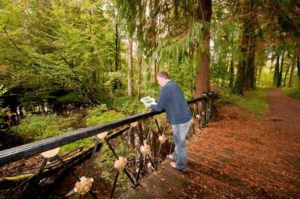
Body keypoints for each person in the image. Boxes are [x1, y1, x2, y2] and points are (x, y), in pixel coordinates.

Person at [146, 71, 192, 172]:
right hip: (186, 117)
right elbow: (167, 100)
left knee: (180, 143)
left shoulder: (165, 88)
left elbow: (158, 108)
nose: (158, 83)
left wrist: (149, 105)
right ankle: (176, 156)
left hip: (180, 120)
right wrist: (156, 100)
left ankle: (181, 166)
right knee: (177, 139)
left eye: (158, 80)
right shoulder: (174, 85)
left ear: (163, 79)